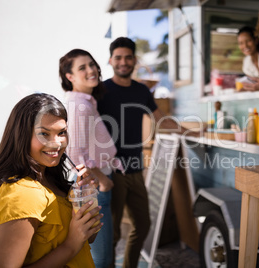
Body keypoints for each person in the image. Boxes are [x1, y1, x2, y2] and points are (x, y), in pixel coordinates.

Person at [97, 37, 200, 268]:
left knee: (142, 225)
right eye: (118, 57)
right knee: (112, 234)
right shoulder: (101, 91)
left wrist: (189, 132)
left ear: (134, 60)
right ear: (111, 60)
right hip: (112, 171)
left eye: (128, 57)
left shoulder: (141, 91)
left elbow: (161, 120)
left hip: (136, 169)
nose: (123, 62)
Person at [0, 93, 102, 267]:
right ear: (22, 136)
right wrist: (70, 246)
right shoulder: (21, 195)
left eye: (61, 132)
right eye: (44, 134)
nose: (56, 143)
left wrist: (83, 195)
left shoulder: (52, 180)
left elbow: (88, 237)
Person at [59, 48, 124, 268]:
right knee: (101, 258)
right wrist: (102, 180)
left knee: (102, 253)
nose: (91, 70)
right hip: (94, 186)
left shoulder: (86, 101)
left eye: (92, 64)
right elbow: (75, 153)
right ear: (70, 77)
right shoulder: (79, 105)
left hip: (97, 183)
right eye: (82, 67)